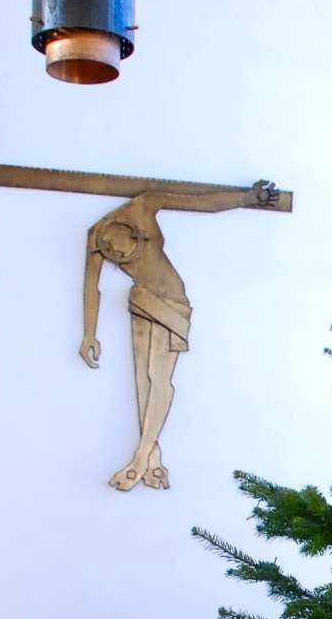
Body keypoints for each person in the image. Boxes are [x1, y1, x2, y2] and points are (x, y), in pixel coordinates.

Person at [79, 186, 261, 490]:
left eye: (122, 254)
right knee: (142, 382)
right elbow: (91, 287)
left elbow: (204, 203)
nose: (119, 259)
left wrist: (247, 198)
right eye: (115, 257)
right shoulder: (96, 238)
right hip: (141, 298)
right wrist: (89, 333)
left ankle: (140, 459)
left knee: (158, 377)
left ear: (136, 235)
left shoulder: (144, 206)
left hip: (171, 300)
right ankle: (154, 461)